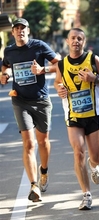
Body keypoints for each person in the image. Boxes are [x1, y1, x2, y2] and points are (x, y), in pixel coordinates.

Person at [54, 28, 99, 210]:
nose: (76, 41)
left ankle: (93, 166)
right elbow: (58, 82)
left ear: (84, 41)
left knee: (96, 156)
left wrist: (94, 78)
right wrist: (59, 89)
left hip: (93, 115)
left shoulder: (93, 59)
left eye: (79, 38)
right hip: (74, 115)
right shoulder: (62, 64)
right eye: (73, 38)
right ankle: (86, 194)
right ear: (67, 41)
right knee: (78, 150)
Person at [1, 18, 60, 202]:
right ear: (12, 33)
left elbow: (60, 64)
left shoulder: (39, 46)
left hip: (41, 100)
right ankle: (34, 185)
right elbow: (4, 66)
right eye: (16, 29)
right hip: (20, 100)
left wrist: (43, 69)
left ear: (28, 30)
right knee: (29, 144)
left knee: (43, 142)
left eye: (23, 28)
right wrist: (3, 75)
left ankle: (44, 171)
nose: (20, 31)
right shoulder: (9, 50)